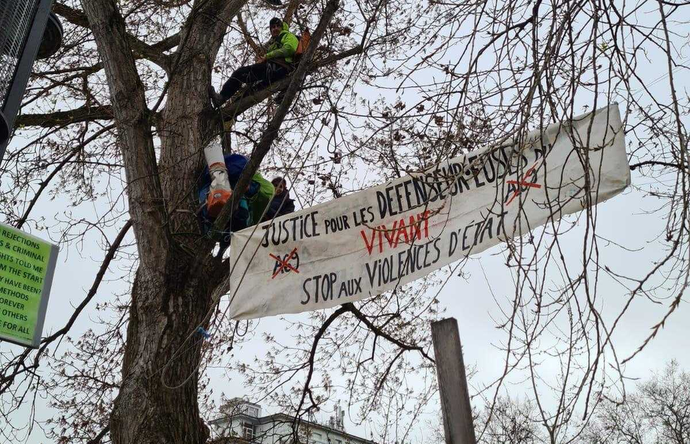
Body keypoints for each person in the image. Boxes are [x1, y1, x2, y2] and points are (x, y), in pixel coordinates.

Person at [210, 18, 298, 107]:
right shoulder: (274, 43)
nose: (275, 29)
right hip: (274, 72)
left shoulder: (287, 35)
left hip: (277, 69)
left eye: (278, 26)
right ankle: (226, 115)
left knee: (240, 73)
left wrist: (267, 56)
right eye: (273, 27)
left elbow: (289, 49)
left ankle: (222, 98)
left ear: (282, 28)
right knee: (247, 95)